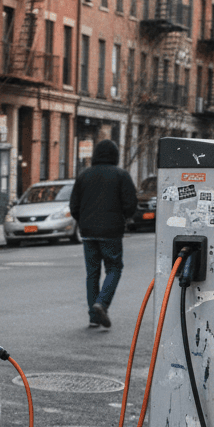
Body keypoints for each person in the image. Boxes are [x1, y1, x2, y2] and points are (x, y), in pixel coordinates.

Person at [68, 139, 137, 329]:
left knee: (92, 273)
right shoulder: (121, 175)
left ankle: (93, 317)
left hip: (88, 232)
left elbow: (74, 205)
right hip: (112, 231)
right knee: (114, 268)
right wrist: (125, 217)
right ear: (115, 155)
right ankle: (102, 303)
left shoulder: (84, 175)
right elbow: (131, 204)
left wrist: (83, 221)